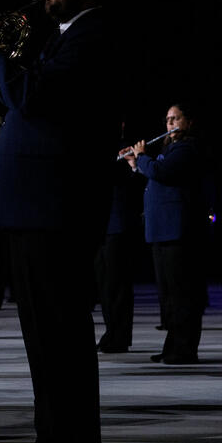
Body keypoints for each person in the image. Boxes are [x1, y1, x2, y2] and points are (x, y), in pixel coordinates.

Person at [0, 0, 119, 443]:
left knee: (63, 341)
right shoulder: (59, 37)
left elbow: (32, 99)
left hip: (58, 210)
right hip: (34, 209)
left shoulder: (95, 34)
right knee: (42, 342)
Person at [126, 104, 206, 363]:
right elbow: (156, 178)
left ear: (188, 122)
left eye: (176, 119)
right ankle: (172, 345)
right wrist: (135, 164)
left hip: (177, 230)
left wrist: (142, 157)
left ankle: (184, 348)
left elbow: (162, 172)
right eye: (168, 120)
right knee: (168, 295)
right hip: (161, 230)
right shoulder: (168, 148)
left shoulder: (188, 147)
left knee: (182, 293)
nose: (170, 124)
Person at [96, 122, 143, 353]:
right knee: (105, 284)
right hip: (102, 224)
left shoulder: (125, 149)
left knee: (118, 284)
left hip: (119, 222)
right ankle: (111, 331)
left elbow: (136, 184)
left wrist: (132, 163)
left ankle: (120, 335)